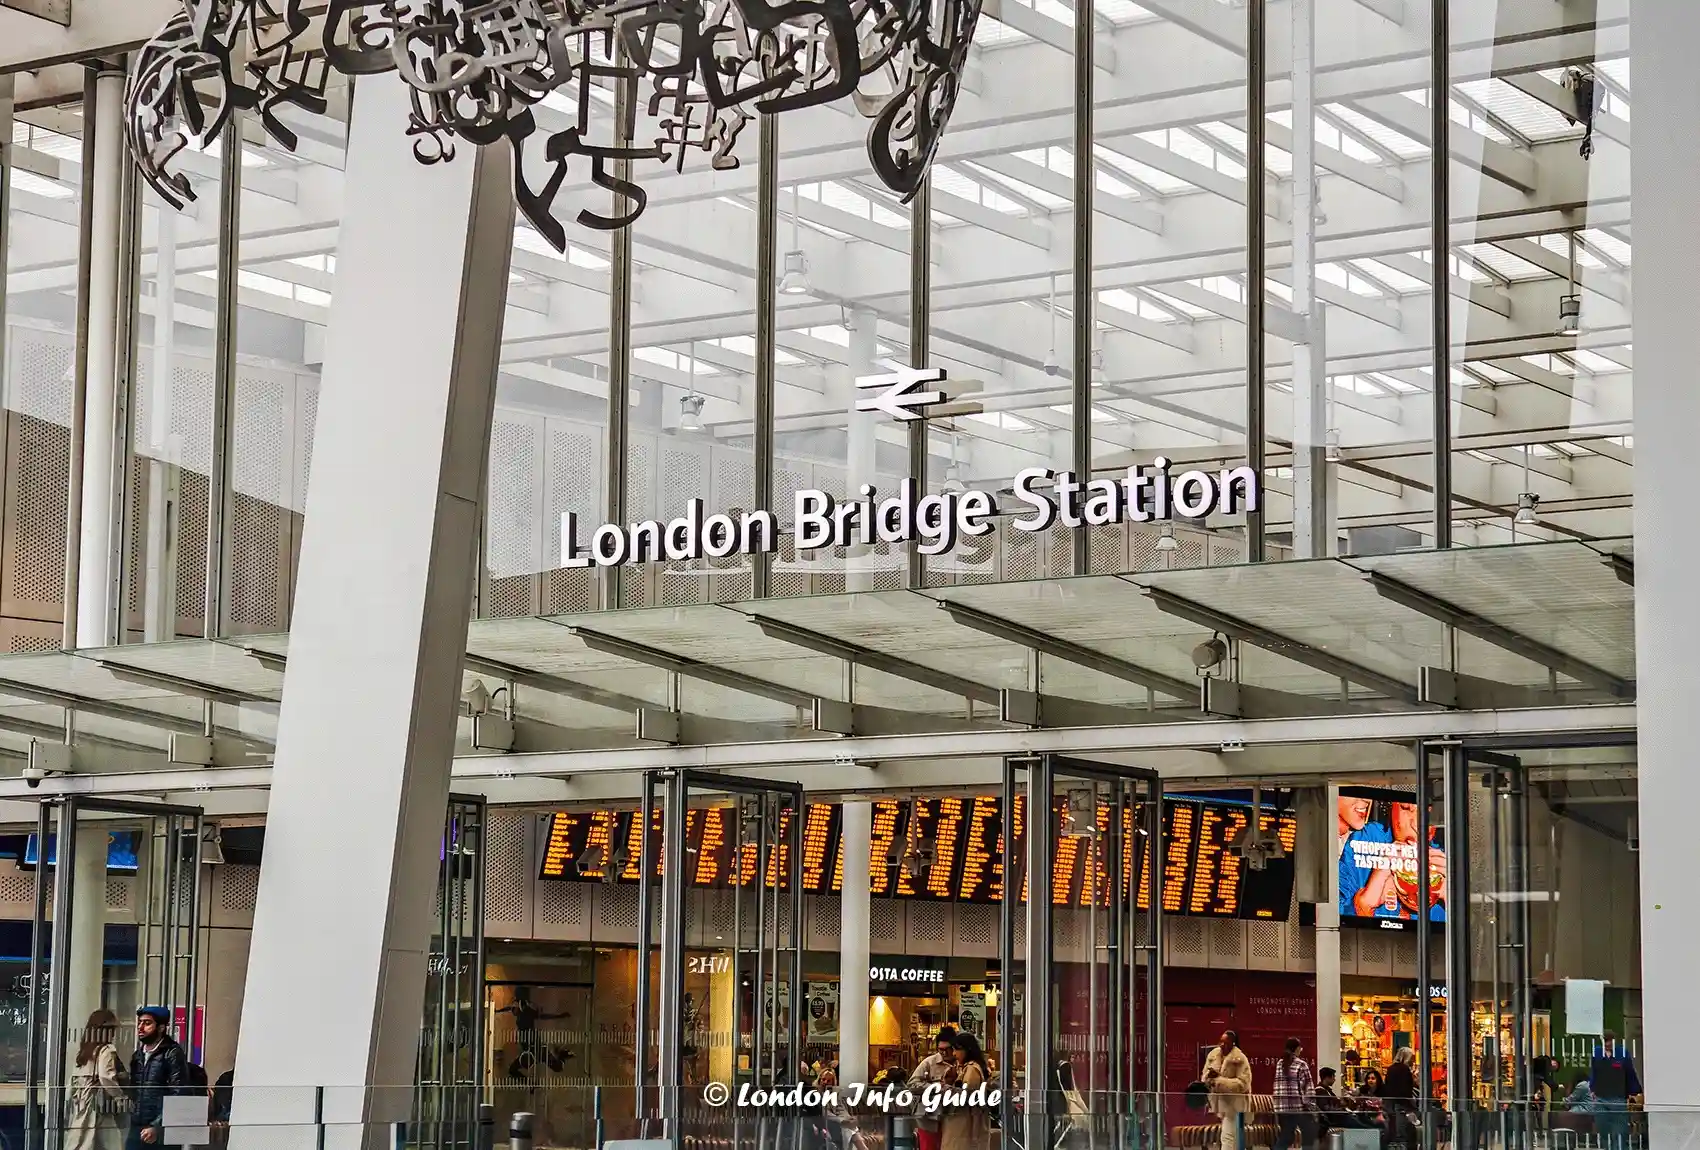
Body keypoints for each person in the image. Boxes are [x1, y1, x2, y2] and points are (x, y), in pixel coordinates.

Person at [128, 1007, 187, 1150]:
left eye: (147, 1023)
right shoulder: (138, 1055)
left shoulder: (172, 1053)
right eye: (140, 1022)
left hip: (160, 1129)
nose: (141, 1027)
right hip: (137, 1126)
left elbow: (178, 1093)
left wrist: (158, 1126)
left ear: (161, 1028)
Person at [67, 1010, 126, 1150]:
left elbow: (73, 1082)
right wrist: (120, 1097)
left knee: (81, 1141)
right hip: (98, 1106)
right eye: (112, 1029)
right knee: (112, 1143)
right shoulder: (106, 1050)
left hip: (82, 1104)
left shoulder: (85, 1051)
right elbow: (106, 1077)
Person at [938, 1032, 991, 1150]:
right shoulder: (965, 1067)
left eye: (956, 1050)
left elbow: (966, 1096)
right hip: (961, 1124)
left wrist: (945, 1088)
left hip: (964, 1125)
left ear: (967, 1050)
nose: (954, 1054)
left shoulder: (972, 1069)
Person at [909, 1026, 958, 1150]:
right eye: (940, 1049)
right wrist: (935, 1087)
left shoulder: (961, 1063)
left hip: (953, 1117)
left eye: (947, 1049)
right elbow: (912, 1084)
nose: (944, 1053)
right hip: (929, 1119)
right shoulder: (929, 1063)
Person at [1590, 1032, 1641, 1150]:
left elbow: (1630, 1073)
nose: (1607, 1044)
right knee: (1603, 1130)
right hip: (1601, 1097)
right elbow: (1593, 1072)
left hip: (1618, 1098)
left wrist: (1634, 1092)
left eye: (1609, 1041)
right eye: (1605, 1041)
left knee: (1619, 1132)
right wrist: (1592, 1088)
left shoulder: (1621, 1053)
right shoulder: (1597, 1053)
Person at [1204, 1031, 1254, 1150]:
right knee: (1233, 1139)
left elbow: (1243, 1084)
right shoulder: (1213, 1055)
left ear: (1233, 1044)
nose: (1222, 1045)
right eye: (1221, 1041)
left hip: (1235, 1104)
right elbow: (1204, 1077)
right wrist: (1209, 1078)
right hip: (1219, 1103)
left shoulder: (1240, 1059)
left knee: (1227, 1137)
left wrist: (1219, 1081)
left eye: (1226, 1042)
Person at [1272, 1039, 1315, 1150]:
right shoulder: (1301, 1064)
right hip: (1295, 1107)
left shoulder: (1280, 1063)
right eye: (1300, 1048)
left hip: (1280, 1108)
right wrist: (1309, 1105)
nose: (1301, 1050)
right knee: (1308, 1133)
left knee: (1287, 1136)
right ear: (1296, 1049)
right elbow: (1309, 1087)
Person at [1379, 1048, 1418, 1149]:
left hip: (1391, 1102)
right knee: (1403, 1128)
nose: (1412, 1060)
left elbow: (1387, 1084)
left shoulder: (1391, 1068)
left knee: (1394, 1126)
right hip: (1402, 1102)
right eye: (1411, 1057)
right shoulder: (1404, 1069)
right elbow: (1406, 1088)